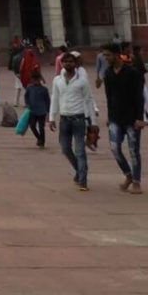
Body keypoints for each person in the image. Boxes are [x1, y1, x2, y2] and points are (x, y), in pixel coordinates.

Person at [49, 50, 96, 191]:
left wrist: (93, 122)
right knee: (65, 148)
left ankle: (83, 180)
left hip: (79, 118)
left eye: (71, 61)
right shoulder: (57, 80)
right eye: (65, 61)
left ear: (76, 64)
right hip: (64, 119)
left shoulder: (82, 81)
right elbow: (55, 99)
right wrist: (52, 117)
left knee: (80, 150)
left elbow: (88, 100)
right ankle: (79, 169)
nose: (68, 64)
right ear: (62, 63)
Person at [102, 43, 144, 195]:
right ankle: (128, 175)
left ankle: (137, 182)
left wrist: (140, 118)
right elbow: (108, 96)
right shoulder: (108, 73)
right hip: (115, 117)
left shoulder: (131, 72)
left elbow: (139, 97)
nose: (105, 58)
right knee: (114, 148)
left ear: (116, 54)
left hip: (132, 118)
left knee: (134, 150)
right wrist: (109, 115)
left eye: (107, 55)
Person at [24, 72, 51, 148]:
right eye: (33, 80)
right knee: (32, 126)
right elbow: (26, 96)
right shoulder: (29, 88)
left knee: (41, 127)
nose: (35, 81)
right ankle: (39, 138)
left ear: (40, 80)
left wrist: (48, 112)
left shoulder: (44, 90)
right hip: (32, 111)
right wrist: (27, 104)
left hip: (42, 111)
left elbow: (47, 101)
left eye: (37, 79)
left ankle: (42, 142)